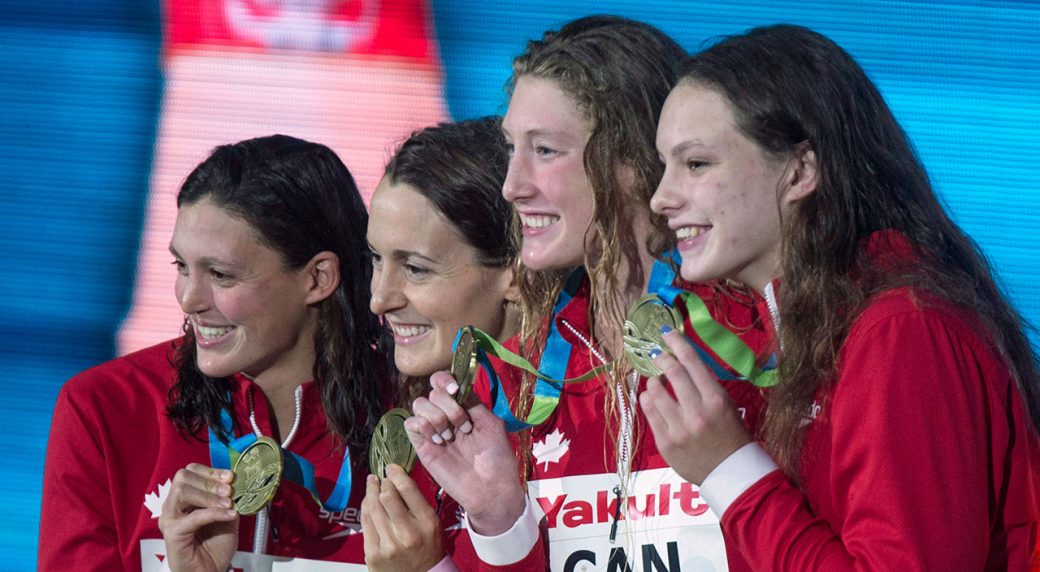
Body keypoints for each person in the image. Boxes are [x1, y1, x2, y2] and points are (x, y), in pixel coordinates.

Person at [644, 24, 1040, 570]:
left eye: (695, 164)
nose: (661, 198)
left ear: (801, 171)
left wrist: (730, 471)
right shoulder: (811, 329)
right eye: (665, 166)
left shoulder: (901, 328)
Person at [406, 15, 772, 570]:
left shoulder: (751, 342)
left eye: (546, 151)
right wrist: (501, 520)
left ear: (632, 159)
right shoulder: (519, 381)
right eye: (512, 149)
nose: (512, 185)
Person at [39, 135, 392, 570]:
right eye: (181, 267)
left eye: (220, 274)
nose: (189, 299)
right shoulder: (106, 409)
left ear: (318, 278)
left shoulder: (415, 419)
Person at [362, 117, 546, 571]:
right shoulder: (407, 420)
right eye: (376, 259)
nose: (379, 299)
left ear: (516, 274)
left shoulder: (595, 421)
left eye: (417, 269)